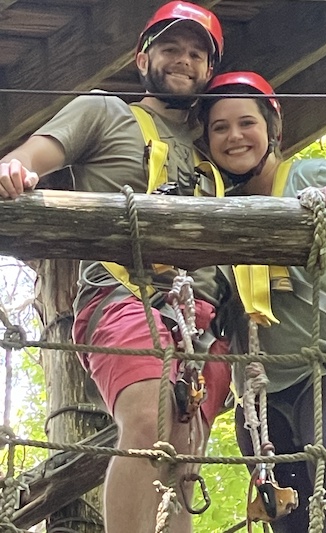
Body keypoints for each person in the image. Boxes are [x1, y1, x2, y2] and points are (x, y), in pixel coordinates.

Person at [0, 4, 232, 532]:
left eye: (197, 53)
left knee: (183, 454)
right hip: (123, 295)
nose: (184, 60)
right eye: (171, 48)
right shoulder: (105, 111)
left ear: (208, 71)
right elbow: (30, 157)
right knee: (148, 420)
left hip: (205, 319)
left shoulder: (213, 148)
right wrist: (15, 170)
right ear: (142, 57)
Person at [200, 71, 326, 533]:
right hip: (262, 390)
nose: (234, 136)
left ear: (272, 129)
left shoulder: (311, 176)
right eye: (219, 127)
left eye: (246, 122)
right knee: (285, 503)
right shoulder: (211, 207)